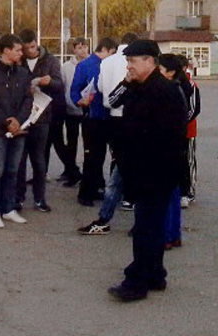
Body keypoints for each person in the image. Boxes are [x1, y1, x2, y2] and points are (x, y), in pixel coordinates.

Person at [107, 40, 187, 302]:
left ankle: (136, 282)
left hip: (154, 171)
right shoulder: (139, 87)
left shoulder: (163, 91)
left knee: (145, 228)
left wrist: (140, 165)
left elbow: (164, 136)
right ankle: (155, 274)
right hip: (143, 170)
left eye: (133, 61)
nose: (128, 65)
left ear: (150, 61)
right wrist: (128, 82)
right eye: (127, 61)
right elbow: (113, 102)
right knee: (150, 226)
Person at [78, 33, 139, 235]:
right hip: (132, 119)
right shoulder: (137, 65)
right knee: (128, 165)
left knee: (111, 160)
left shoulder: (108, 62)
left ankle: (102, 210)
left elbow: (103, 90)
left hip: (112, 115)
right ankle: (128, 200)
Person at [0, 34, 33, 228]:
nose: (22, 53)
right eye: (18, 50)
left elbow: (28, 99)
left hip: (19, 129)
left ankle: (9, 208)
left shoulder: (22, 72)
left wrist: (19, 120)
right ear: (6, 50)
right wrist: (5, 122)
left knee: (13, 170)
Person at [17, 29, 65, 213]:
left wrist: (48, 82)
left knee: (38, 159)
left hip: (42, 115)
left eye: (33, 46)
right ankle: (18, 197)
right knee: (19, 160)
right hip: (22, 115)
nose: (31, 50)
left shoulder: (50, 60)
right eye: (26, 48)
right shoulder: (18, 60)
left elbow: (60, 85)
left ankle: (39, 198)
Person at [70, 37, 118, 207]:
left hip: (109, 115)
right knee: (92, 156)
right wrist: (79, 101)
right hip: (92, 116)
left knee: (103, 155)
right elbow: (74, 89)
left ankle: (99, 186)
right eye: (112, 53)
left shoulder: (110, 65)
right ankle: (85, 192)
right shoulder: (85, 65)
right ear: (105, 49)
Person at [159, 53, 193, 249]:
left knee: (166, 195)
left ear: (170, 72)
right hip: (175, 146)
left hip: (168, 147)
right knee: (172, 192)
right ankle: (174, 234)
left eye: (160, 69)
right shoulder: (180, 87)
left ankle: (167, 236)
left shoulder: (172, 91)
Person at [60, 37, 89, 187]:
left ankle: (87, 174)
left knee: (88, 144)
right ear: (74, 49)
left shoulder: (93, 64)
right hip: (70, 110)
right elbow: (63, 86)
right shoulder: (66, 67)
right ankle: (71, 172)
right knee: (71, 143)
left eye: (85, 47)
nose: (82, 50)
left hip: (86, 110)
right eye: (79, 47)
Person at [177, 54, 201, 209]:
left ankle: (190, 191)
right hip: (174, 130)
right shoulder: (170, 83)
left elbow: (194, 109)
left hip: (188, 130)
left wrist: (181, 122)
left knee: (189, 160)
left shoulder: (191, 85)